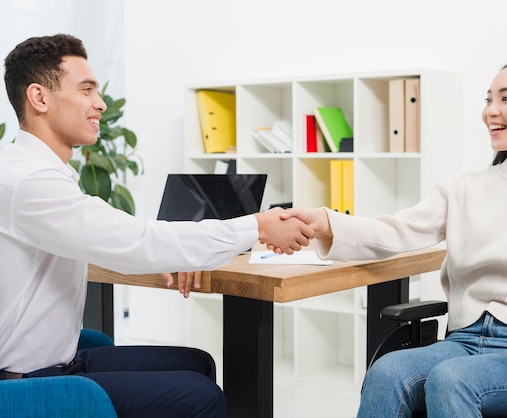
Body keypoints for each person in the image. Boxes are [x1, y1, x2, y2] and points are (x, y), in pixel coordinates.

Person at [280, 59, 507, 417]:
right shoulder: (462, 189)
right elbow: (396, 232)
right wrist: (325, 221)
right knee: (388, 370)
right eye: (488, 99)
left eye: (505, 99)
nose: (490, 111)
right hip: (462, 342)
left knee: (451, 379)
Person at [0, 34, 314, 418]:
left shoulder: (40, 172)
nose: (99, 104)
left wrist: (167, 251)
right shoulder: (29, 182)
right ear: (40, 98)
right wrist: (258, 227)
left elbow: (110, 238)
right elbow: (133, 239)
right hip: (26, 381)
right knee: (201, 396)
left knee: (197, 364)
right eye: (86, 90)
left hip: (56, 360)